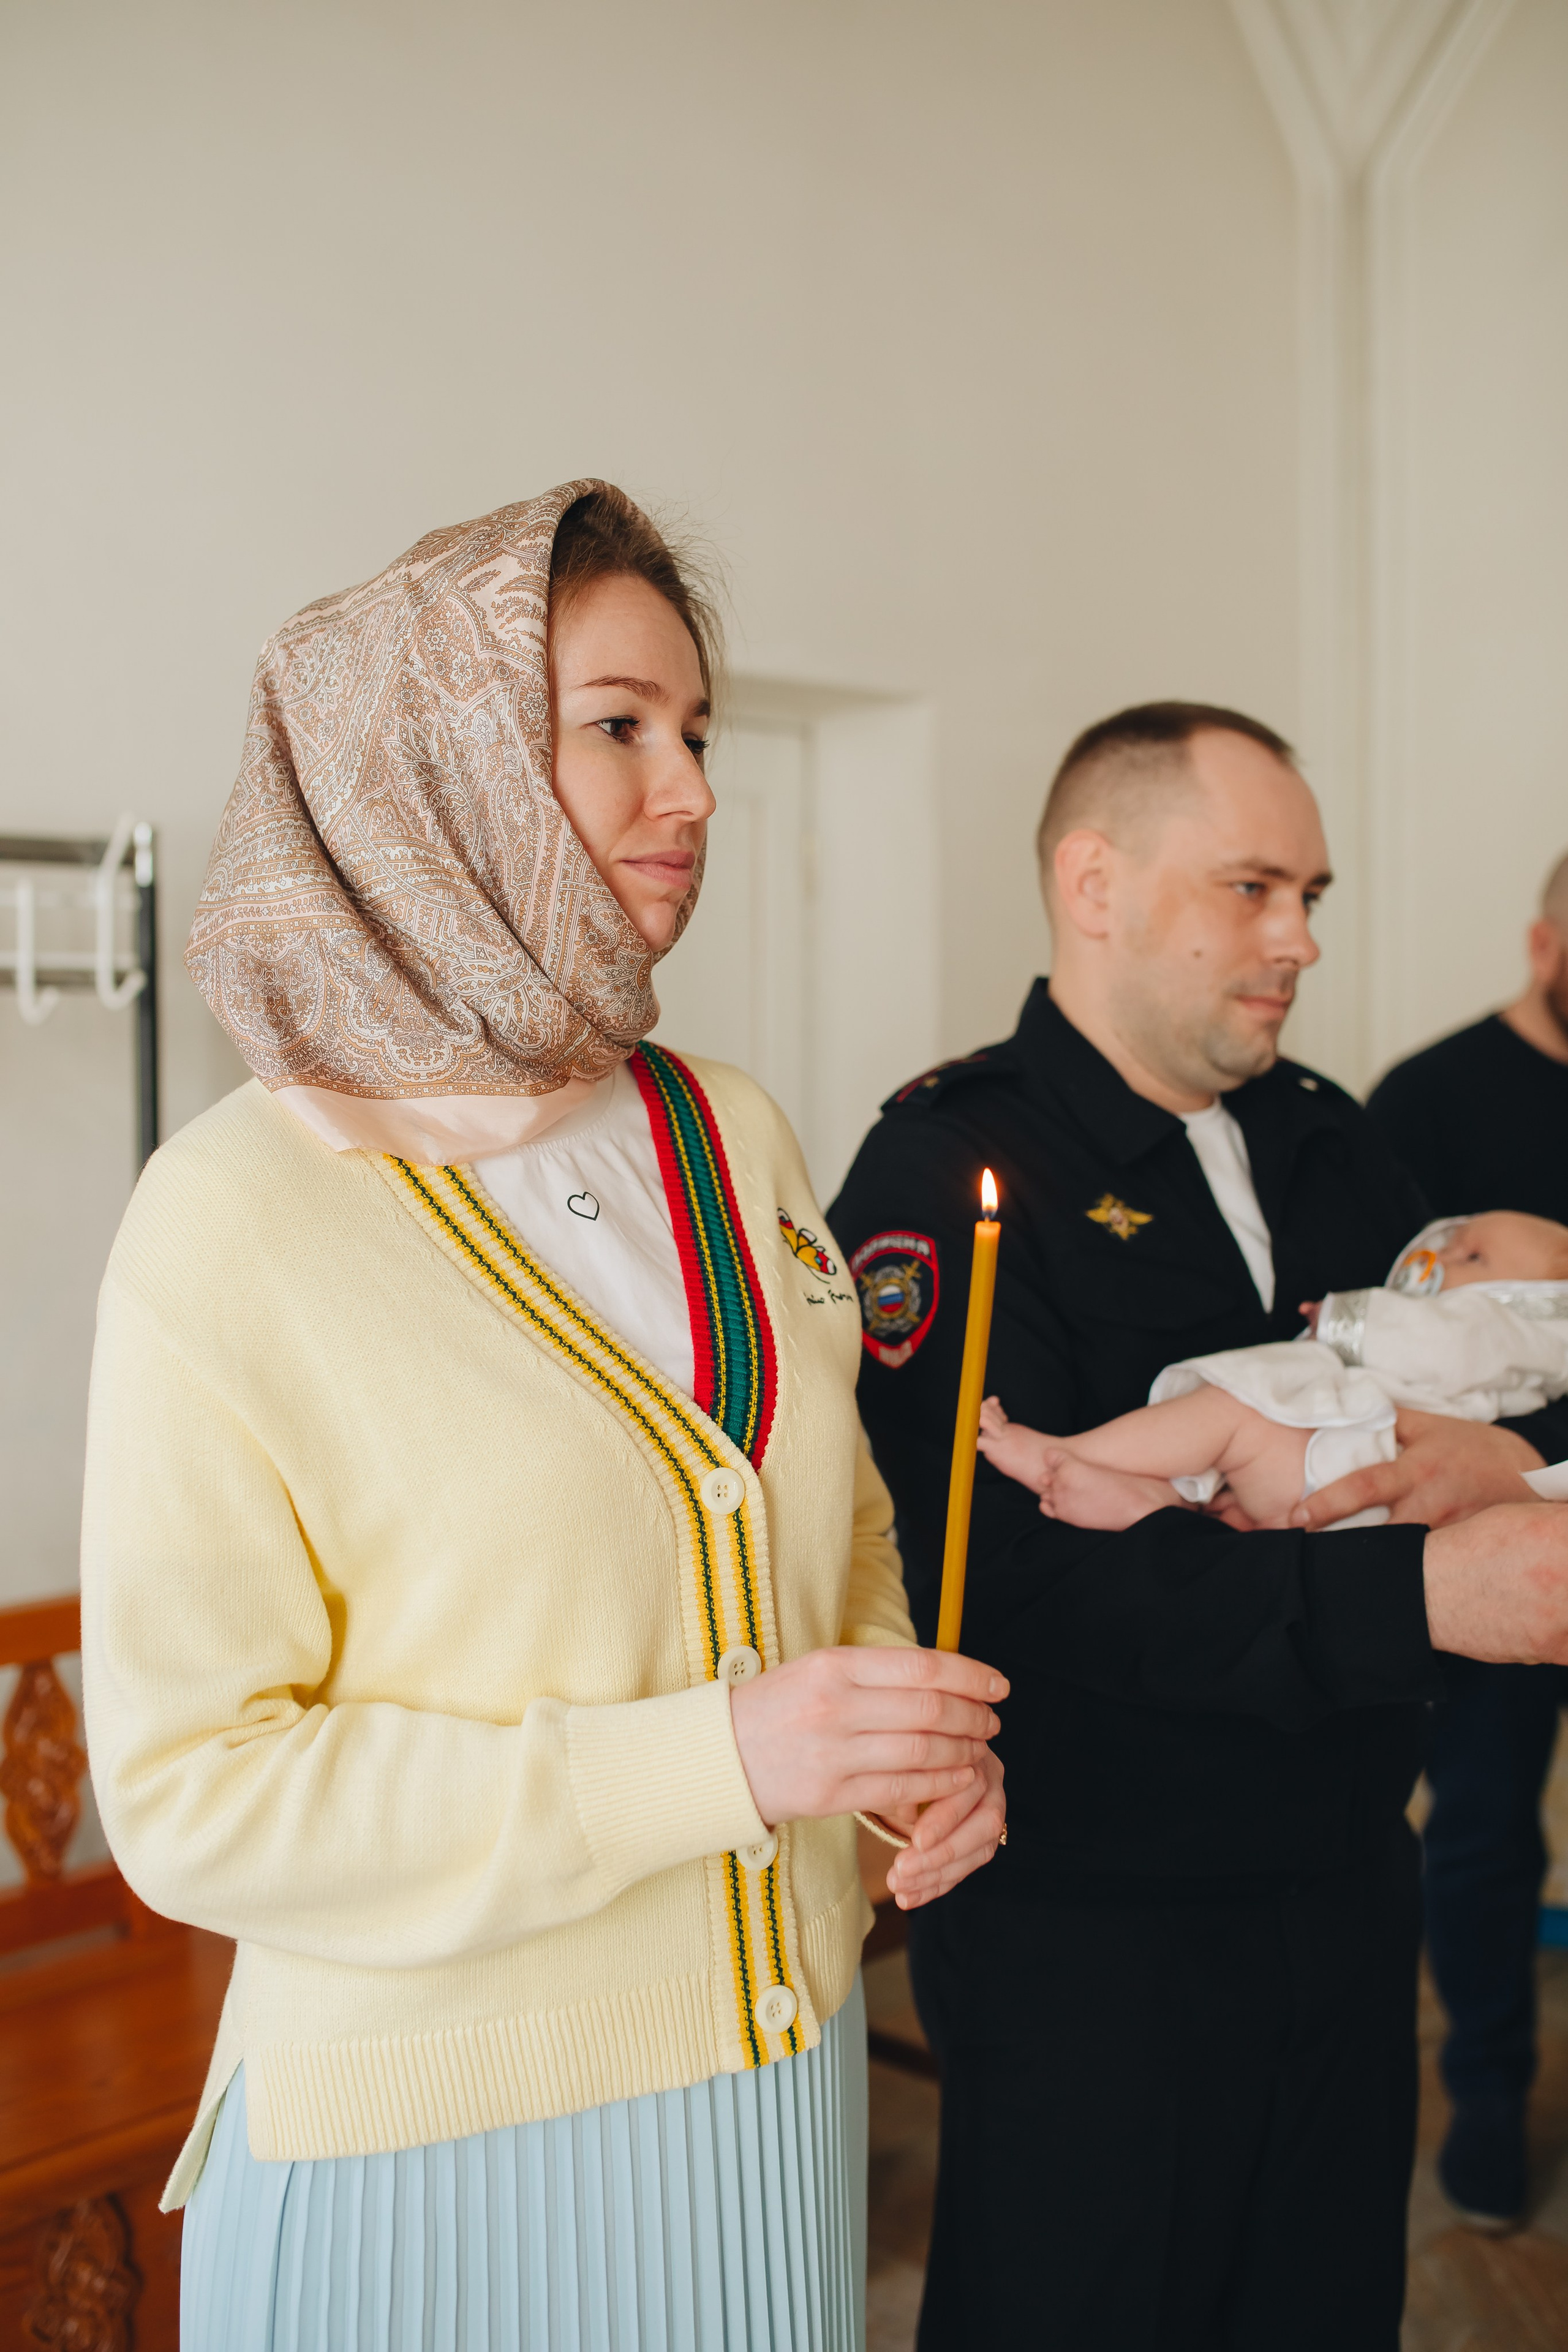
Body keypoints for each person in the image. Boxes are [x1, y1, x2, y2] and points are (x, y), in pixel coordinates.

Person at [80, 482, 1005, 2352]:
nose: (693, 790)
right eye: (617, 728)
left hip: (775, 2086)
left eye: (697, 733)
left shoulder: (725, 1126)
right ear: (436, 763)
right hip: (434, 2154)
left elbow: (834, 1535)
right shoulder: (234, 1211)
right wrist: (724, 1754)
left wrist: (890, 1722)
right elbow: (194, 1798)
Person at [829, 704, 1568, 2351]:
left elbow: (1462, 1392)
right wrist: (1424, 1587)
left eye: (1310, 892)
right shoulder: (952, 1169)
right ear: (1096, 883)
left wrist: (1483, 1460)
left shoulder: (1327, 1135)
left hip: (1342, 1893)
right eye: (1252, 888)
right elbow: (1015, 1588)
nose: (1299, 937)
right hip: (1102, 1928)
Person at [1365, 848, 1568, 2232]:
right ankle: (1485, 2092)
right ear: (1540, 938)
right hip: (1492, 1534)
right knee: (1485, 1826)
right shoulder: (1425, 1099)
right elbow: (1385, 1328)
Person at [976, 1207, 1568, 1533]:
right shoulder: (1520, 1348)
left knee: (1233, 1412)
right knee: (1225, 1485)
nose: (1441, 1260)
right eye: (1453, 1240)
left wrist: (1343, 1321)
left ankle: (1064, 1454)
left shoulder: (1502, 1329)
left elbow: (1447, 1346)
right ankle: (1151, 1506)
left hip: (1348, 1467)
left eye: (1474, 1257)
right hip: (1347, 1483)